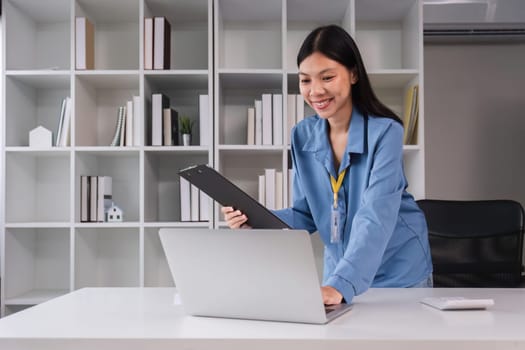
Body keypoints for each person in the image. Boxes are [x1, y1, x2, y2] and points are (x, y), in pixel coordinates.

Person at [222, 24, 432, 305]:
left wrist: (341, 284)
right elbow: (305, 215)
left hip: (398, 272)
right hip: (340, 273)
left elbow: (376, 215)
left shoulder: (386, 132)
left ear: (354, 74)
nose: (315, 91)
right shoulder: (302, 134)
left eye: (327, 77)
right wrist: (257, 221)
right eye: (305, 80)